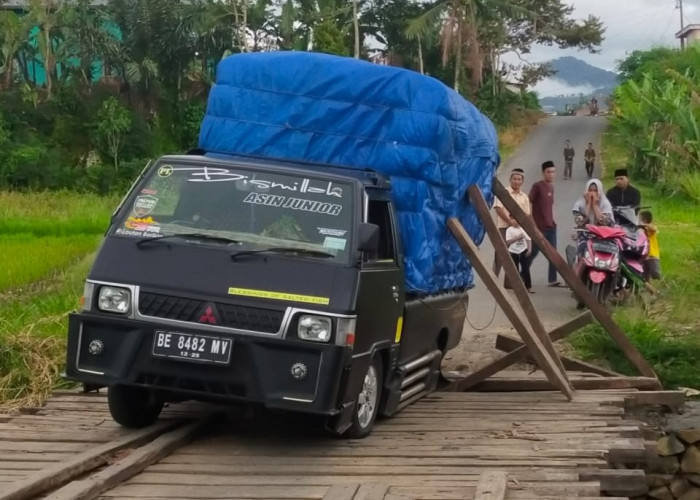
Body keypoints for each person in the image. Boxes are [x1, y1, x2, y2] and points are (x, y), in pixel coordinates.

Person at [529, 160, 564, 287]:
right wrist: (532, 222)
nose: (551, 174)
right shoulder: (537, 186)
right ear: (543, 173)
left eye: (553, 172)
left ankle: (552, 279)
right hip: (539, 227)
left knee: (553, 254)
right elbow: (529, 202)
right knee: (532, 253)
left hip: (551, 227)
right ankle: (521, 275)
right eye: (548, 172)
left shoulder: (551, 187)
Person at [493, 168, 531, 279]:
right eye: (514, 179)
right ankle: (494, 278)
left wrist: (519, 224)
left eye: (519, 179)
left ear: (522, 181)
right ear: (510, 180)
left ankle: (509, 281)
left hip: (518, 229)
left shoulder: (524, 197)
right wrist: (510, 222)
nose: (516, 181)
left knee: (514, 254)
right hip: (504, 227)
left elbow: (527, 214)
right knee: (500, 253)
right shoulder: (504, 193)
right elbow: (498, 208)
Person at [505, 223, 533, 293]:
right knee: (515, 270)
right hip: (513, 251)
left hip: (523, 250)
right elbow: (508, 242)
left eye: (516, 219)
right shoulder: (509, 230)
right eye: (512, 219)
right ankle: (517, 288)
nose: (514, 221)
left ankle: (528, 287)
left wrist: (529, 249)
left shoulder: (523, 229)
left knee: (526, 269)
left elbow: (528, 239)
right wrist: (517, 238)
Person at [639, 210, 661, 280]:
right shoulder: (642, 230)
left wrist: (644, 225)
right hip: (644, 256)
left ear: (644, 220)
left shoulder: (650, 229)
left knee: (655, 273)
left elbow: (654, 228)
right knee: (645, 276)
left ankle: (659, 284)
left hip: (652, 255)